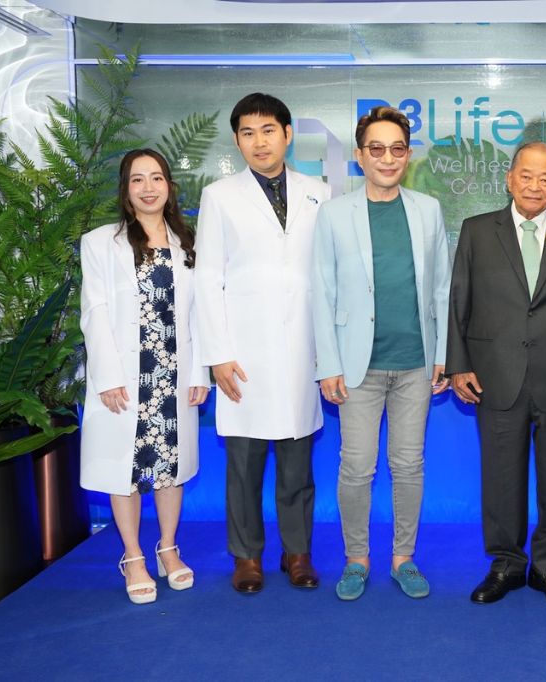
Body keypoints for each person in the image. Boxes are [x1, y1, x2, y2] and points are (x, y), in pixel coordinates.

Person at [446, 141, 546, 607]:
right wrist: (459, 364)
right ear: (510, 179)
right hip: (495, 375)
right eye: (527, 176)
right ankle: (506, 565)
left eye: (545, 178)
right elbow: (459, 300)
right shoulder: (477, 231)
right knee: (501, 479)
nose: (535, 185)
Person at [312, 106, 450, 601]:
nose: (387, 158)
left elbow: (442, 287)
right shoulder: (333, 214)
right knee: (357, 467)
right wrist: (328, 365)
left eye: (397, 149)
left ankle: (403, 558)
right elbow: (321, 292)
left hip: (416, 363)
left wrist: (444, 353)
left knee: (409, 465)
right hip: (357, 367)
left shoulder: (428, 210)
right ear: (359, 155)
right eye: (377, 149)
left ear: (407, 155)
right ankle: (356, 559)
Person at [195, 93, 331, 594]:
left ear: (287, 135)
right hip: (243, 353)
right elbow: (207, 277)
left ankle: (297, 553)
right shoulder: (219, 196)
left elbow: (328, 274)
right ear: (237, 141)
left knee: (297, 465)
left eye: (268, 130)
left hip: (302, 348)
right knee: (244, 465)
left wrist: (329, 351)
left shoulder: (320, 192)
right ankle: (247, 556)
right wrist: (218, 354)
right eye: (248, 133)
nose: (259, 142)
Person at [80, 148, 210, 604]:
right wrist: (107, 376)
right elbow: (94, 311)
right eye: (138, 179)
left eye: (157, 178)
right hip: (126, 376)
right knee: (127, 470)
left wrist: (200, 371)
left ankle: (168, 548)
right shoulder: (100, 242)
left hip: (175, 372)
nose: (148, 188)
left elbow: (201, 313)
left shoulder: (189, 243)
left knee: (171, 467)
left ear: (169, 186)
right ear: (126, 189)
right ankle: (133, 555)